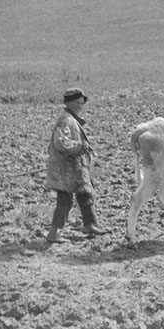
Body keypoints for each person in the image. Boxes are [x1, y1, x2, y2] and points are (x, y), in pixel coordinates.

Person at [45, 87, 106, 243]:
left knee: (85, 194)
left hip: (75, 167)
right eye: (78, 103)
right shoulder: (65, 119)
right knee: (65, 199)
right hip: (66, 168)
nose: (81, 105)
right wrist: (80, 146)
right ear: (70, 103)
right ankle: (55, 232)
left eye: (82, 103)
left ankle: (90, 224)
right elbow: (61, 143)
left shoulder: (72, 119)